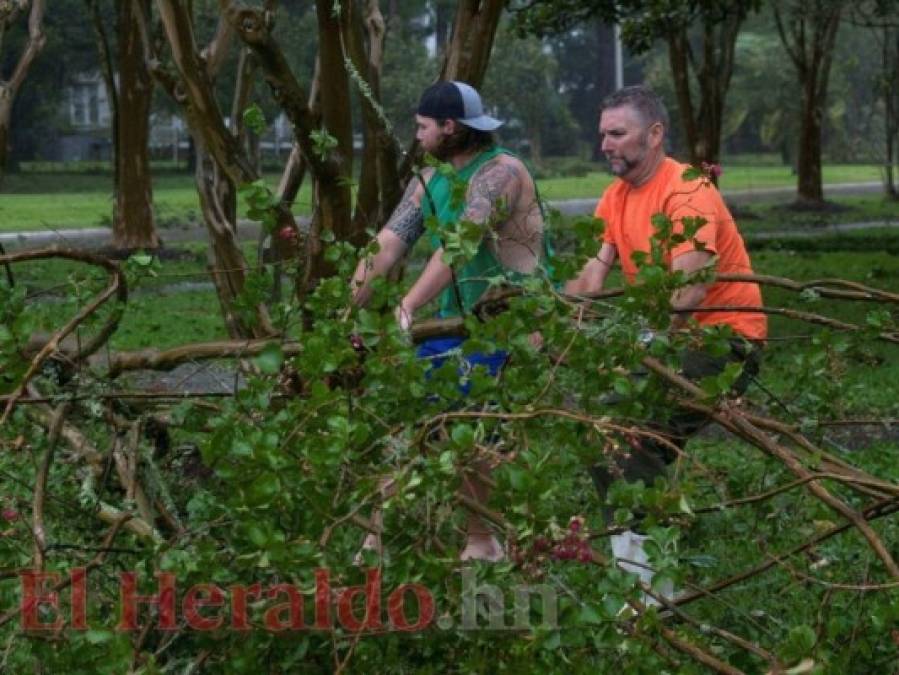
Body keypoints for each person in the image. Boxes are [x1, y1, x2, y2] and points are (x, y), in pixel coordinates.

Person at [566, 85, 766, 602]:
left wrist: (632, 347)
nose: (605, 144)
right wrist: (542, 310)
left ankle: (651, 587)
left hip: (724, 341)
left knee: (621, 431)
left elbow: (687, 291)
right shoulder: (614, 197)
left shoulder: (689, 190)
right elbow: (589, 279)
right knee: (610, 434)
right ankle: (644, 565)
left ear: (655, 135)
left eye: (618, 133)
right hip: (661, 340)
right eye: (602, 134)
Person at [349, 80, 547, 561]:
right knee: (410, 423)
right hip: (451, 326)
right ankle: (375, 539)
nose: (417, 136)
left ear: (449, 127)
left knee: (477, 438)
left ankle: (482, 541)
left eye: (422, 127)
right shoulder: (429, 182)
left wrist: (407, 304)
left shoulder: (501, 174)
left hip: (508, 323)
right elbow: (389, 244)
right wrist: (346, 311)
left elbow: (463, 239)